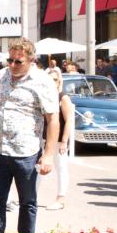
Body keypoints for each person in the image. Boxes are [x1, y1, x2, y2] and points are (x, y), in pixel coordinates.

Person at [0, 38, 58, 233]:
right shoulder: (0, 76)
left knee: (28, 202)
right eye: (9, 60)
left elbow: (53, 119)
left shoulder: (42, 81)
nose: (12, 65)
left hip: (26, 152)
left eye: (18, 62)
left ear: (31, 60)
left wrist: (48, 156)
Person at [44, 68, 73, 210]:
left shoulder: (63, 97)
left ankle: (61, 198)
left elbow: (68, 120)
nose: (52, 82)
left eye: (55, 79)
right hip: (44, 138)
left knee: (61, 167)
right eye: (49, 79)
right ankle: (31, 198)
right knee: (38, 168)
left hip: (59, 138)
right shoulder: (44, 96)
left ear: (59, 81)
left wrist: (64, 141)